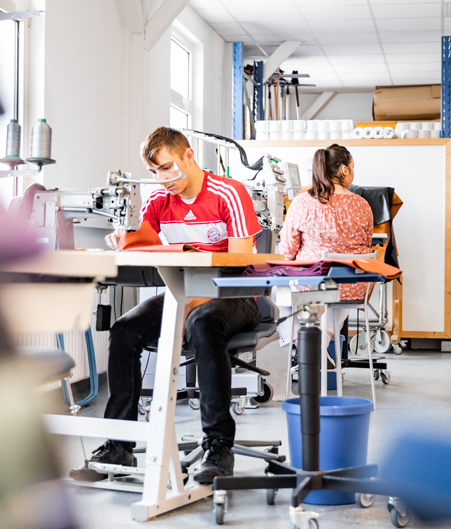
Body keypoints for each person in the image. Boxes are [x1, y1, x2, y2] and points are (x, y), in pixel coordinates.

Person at [89, 127, 262, 484]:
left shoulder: (229, 193)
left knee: (201, 322)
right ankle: (119, 443)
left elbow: (237, 265)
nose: (161, 179)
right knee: (124, 330)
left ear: (188, 156)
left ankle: (218, 446)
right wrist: (124, 237)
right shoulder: (158, 201)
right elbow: (145, 240)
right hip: (183, 291)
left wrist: (189, 304)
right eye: (154, 172)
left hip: (236, 293)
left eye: (166, 168)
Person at [278, 145, 374, 359]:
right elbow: (365, 247)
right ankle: (319, 347)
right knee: (335, 297)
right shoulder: (363, 205)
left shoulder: (302, 202)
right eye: (353, 168)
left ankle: (303, 345)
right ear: (344, 170)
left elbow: (286, 252)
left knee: (276, 291)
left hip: (312, 285)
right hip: (353, 288)